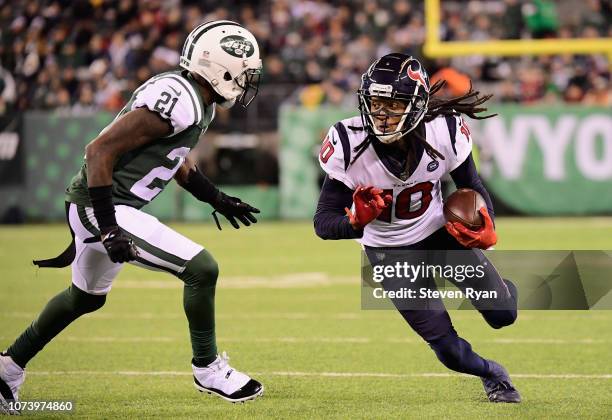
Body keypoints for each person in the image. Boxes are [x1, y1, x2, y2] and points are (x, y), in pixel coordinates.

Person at [0, 21, 265, 413]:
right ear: (221, 68)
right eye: (243, 73)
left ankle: (6, 367)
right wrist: (108, 228)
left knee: (84, 299)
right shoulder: (181, 97)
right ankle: (207, 369)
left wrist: (217, 197)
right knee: (201, 268)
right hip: (101, 206)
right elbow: (98, 152)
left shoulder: (198, 99)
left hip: (103, 206)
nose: (246, 83)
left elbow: (174, 160)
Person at [314, 53, 521, 403]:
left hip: (439, 233)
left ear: (417, 105)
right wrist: (354, 222)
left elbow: (471, 184)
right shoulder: (348, 142)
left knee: (503, 315)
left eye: (394, 104)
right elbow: (322, 222)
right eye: (376, 103)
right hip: (389, 253)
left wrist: (488, 226)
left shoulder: (444, 129)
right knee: (449, 351)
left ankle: (503, 288)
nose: (382, 114)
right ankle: (492, 373)